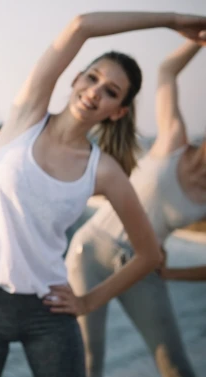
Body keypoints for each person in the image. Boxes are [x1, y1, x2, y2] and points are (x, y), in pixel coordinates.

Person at [0, 12, 206, 377]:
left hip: (49, 309)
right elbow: (81, 26)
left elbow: (149, 254)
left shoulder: (103, 170)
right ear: (75, 78)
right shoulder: (26, 116)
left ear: (117, 112)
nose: (94, 92)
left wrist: (88, 301)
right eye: (93, 78)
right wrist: (171, 21)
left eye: (110, 92)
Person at [67, 39, 206, 377]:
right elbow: (167, 70)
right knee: (87, 362)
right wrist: (200, 37)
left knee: (175, 365)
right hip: (90, 250)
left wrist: (171, 274)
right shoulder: (174, 139)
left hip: (144, 266)